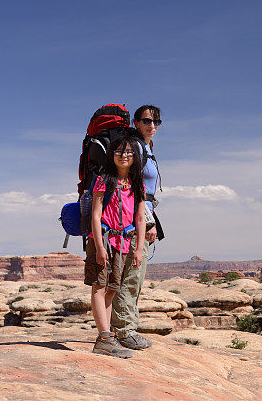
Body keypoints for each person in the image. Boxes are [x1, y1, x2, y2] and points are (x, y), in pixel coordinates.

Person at [85, 136, 148, 358]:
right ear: (112, 155)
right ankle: (104, 338)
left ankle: (107, 338)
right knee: (99, 287)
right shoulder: (104, 179)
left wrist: (139, 249)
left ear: (135, 157)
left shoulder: (137, 183)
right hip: (103, 240)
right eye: (119, 152)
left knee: (112, 289)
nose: (124, 156)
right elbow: (95, 213)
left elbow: (140, 218)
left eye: (129, 152)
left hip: (123, 243)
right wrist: (99, 246)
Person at [111, 104, 162, 350]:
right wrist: (148, 222)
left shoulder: (146, 147)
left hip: (140, 217)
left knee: (133, 276)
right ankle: (125, 332)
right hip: (131, 222)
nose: (152, 126)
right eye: (146, 121)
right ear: (136, 122)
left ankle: (122, 329)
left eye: (156, 122)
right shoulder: (135, 148)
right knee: (130, 277)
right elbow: (134, 188)